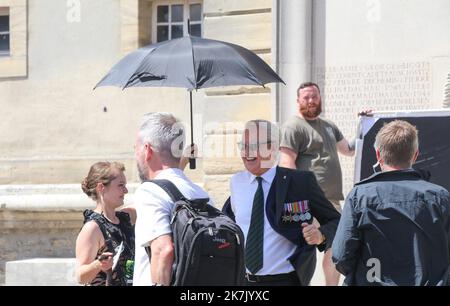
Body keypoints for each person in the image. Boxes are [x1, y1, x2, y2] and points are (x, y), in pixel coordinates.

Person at [223, 119, 340, 286]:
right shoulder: (237, 183)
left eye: (255, 146)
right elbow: (228, 225)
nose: (247, 152)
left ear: (272, 147)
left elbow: (336, 221)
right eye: (244, 146)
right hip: (244, 282)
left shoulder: (300, 182)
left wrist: (320, 235)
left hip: (285, 281)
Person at [332, 120, 450, 286]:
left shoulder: (359, 196)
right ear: (415, 155)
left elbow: (341, 256)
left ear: (378, 155)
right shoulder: (440, 197)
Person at [279, 81, 363, 285]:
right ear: (298, 100)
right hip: (307, 201)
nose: (310, 100)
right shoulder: (293, 126)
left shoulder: (328, 125)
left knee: (336, 246)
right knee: (304, 250)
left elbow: (349, 150)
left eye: (314, 96)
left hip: (331, 202)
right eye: (306, 97)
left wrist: (363, 124)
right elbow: (287, 161)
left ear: (320, 98)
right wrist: (294, 198)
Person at [132, 112, 211, 286]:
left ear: (147, 150)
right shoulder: (202, 194)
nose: (135, 155)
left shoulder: (150, 191)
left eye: (135, 148)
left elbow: (163, 250)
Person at [75, 161, 135, 286]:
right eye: (120, 185)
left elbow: (151, 199)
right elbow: (80, 276)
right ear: (101, 188)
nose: (126, 190)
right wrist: (98, 264)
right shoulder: (92, 228)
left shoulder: (126, 218)